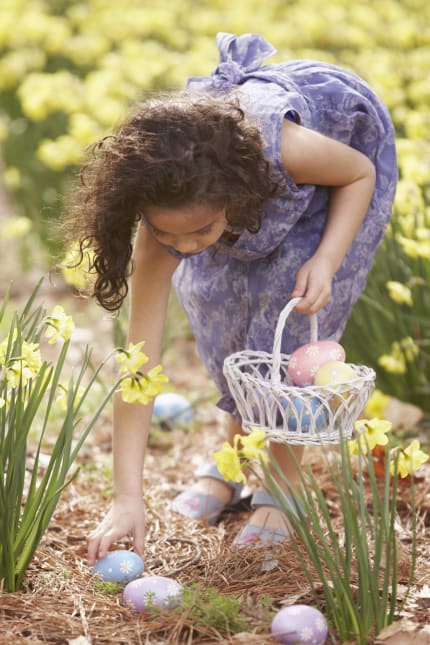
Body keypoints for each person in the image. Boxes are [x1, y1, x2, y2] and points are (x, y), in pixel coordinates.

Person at [65, 33, 397, 563]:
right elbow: (139, 369)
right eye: (168, 236)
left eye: (198, 232)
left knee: (283, 339)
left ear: (232, 199)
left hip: (324, 195)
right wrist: (127, 496)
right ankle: (234, 461)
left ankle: (283, 488)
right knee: (222, 326)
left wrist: (326, 261)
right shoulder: (166, 233)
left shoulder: (286, 150)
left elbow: (359, 171)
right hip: (239, 210)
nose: (185, 247)